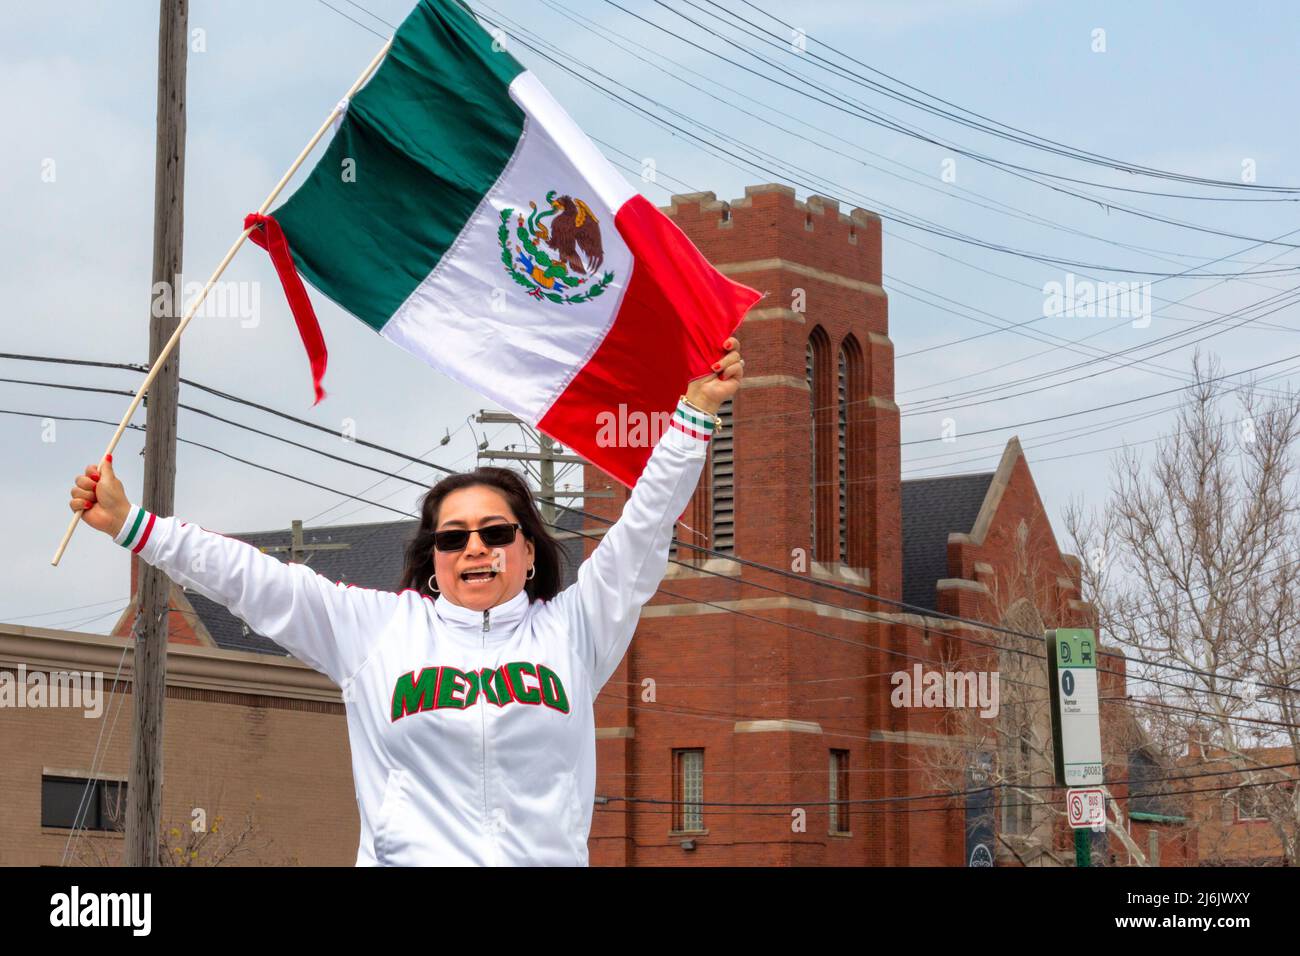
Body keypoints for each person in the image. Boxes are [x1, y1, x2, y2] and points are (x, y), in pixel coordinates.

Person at [71, 338, 744, 866]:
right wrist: (133, 524)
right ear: (433, 558)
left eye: (496, 532)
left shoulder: (574, 629)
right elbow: (255, 580)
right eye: (453, 538)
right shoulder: (376, 631)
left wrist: (694, 415)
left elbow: (644, 532)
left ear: (529, 550)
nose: (474, 547)